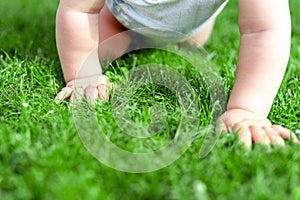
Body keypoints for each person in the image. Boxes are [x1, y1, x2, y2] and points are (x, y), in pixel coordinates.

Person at [55, 0, 299, 148]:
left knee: (195, 40)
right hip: (122, 20)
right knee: (101, 48)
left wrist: (247, 111)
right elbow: (80, 8)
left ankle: (177, 33)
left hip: (191, 28)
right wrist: (83, 77)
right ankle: (132, 37)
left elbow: (264, 29)